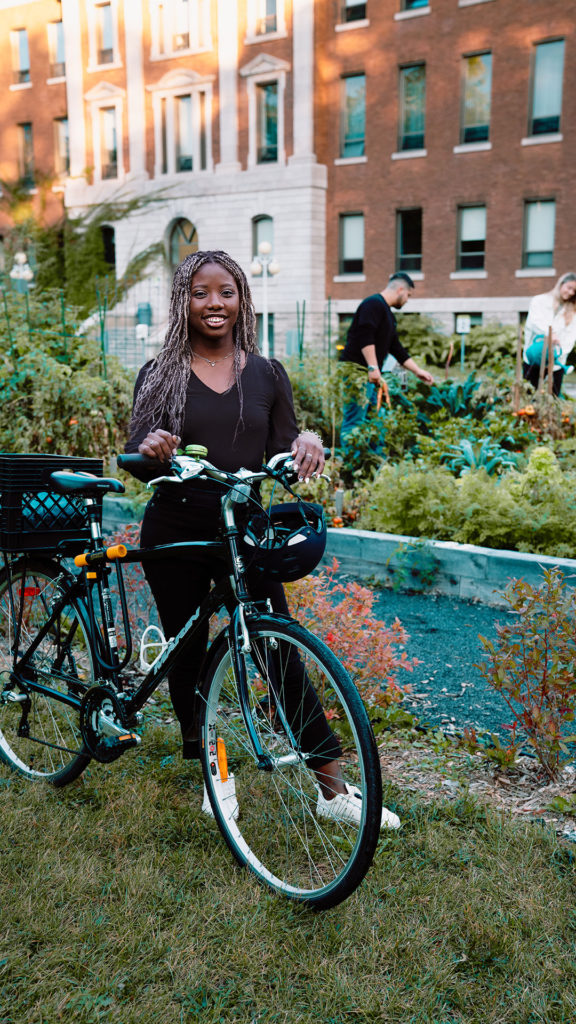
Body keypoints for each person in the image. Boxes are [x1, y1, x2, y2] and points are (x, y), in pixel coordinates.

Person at [125, 249, 400, 829]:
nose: (214, 303)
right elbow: (138, 455)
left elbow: (286, 445)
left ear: (241, 298)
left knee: (280, 649)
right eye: (201, 292)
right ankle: (214, 771)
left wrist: (308, 444)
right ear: (184, 300)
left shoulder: (267, 373)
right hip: (175, 529)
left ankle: (332, 792)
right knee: (190, 651)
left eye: (226, 291)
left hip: (244, 528)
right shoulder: (160, 373)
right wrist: (152, 450)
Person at [338, 272, 434, 444]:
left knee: (373, 421)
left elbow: (396, 348)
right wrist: (373, 367)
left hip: (370, 375)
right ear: (400, 289)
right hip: (357, 373)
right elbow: (365, 335)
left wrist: (418, 371)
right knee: (355, 421)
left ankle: (370, 465)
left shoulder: (387, 313)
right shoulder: (373, 304)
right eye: (408, 295)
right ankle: (350, 466)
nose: (407, 300)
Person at [523, 272, 576, 396]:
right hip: (535, 356)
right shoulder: (539, 301)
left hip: (557, 362)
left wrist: (557, 354)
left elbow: (571, 336)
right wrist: (550, 334)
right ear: (561, 284)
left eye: (574, 290)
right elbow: (535, 323)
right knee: (529, 394)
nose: (571, 293)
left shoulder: (573, 311)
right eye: (569, 288)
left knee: (552, 398)